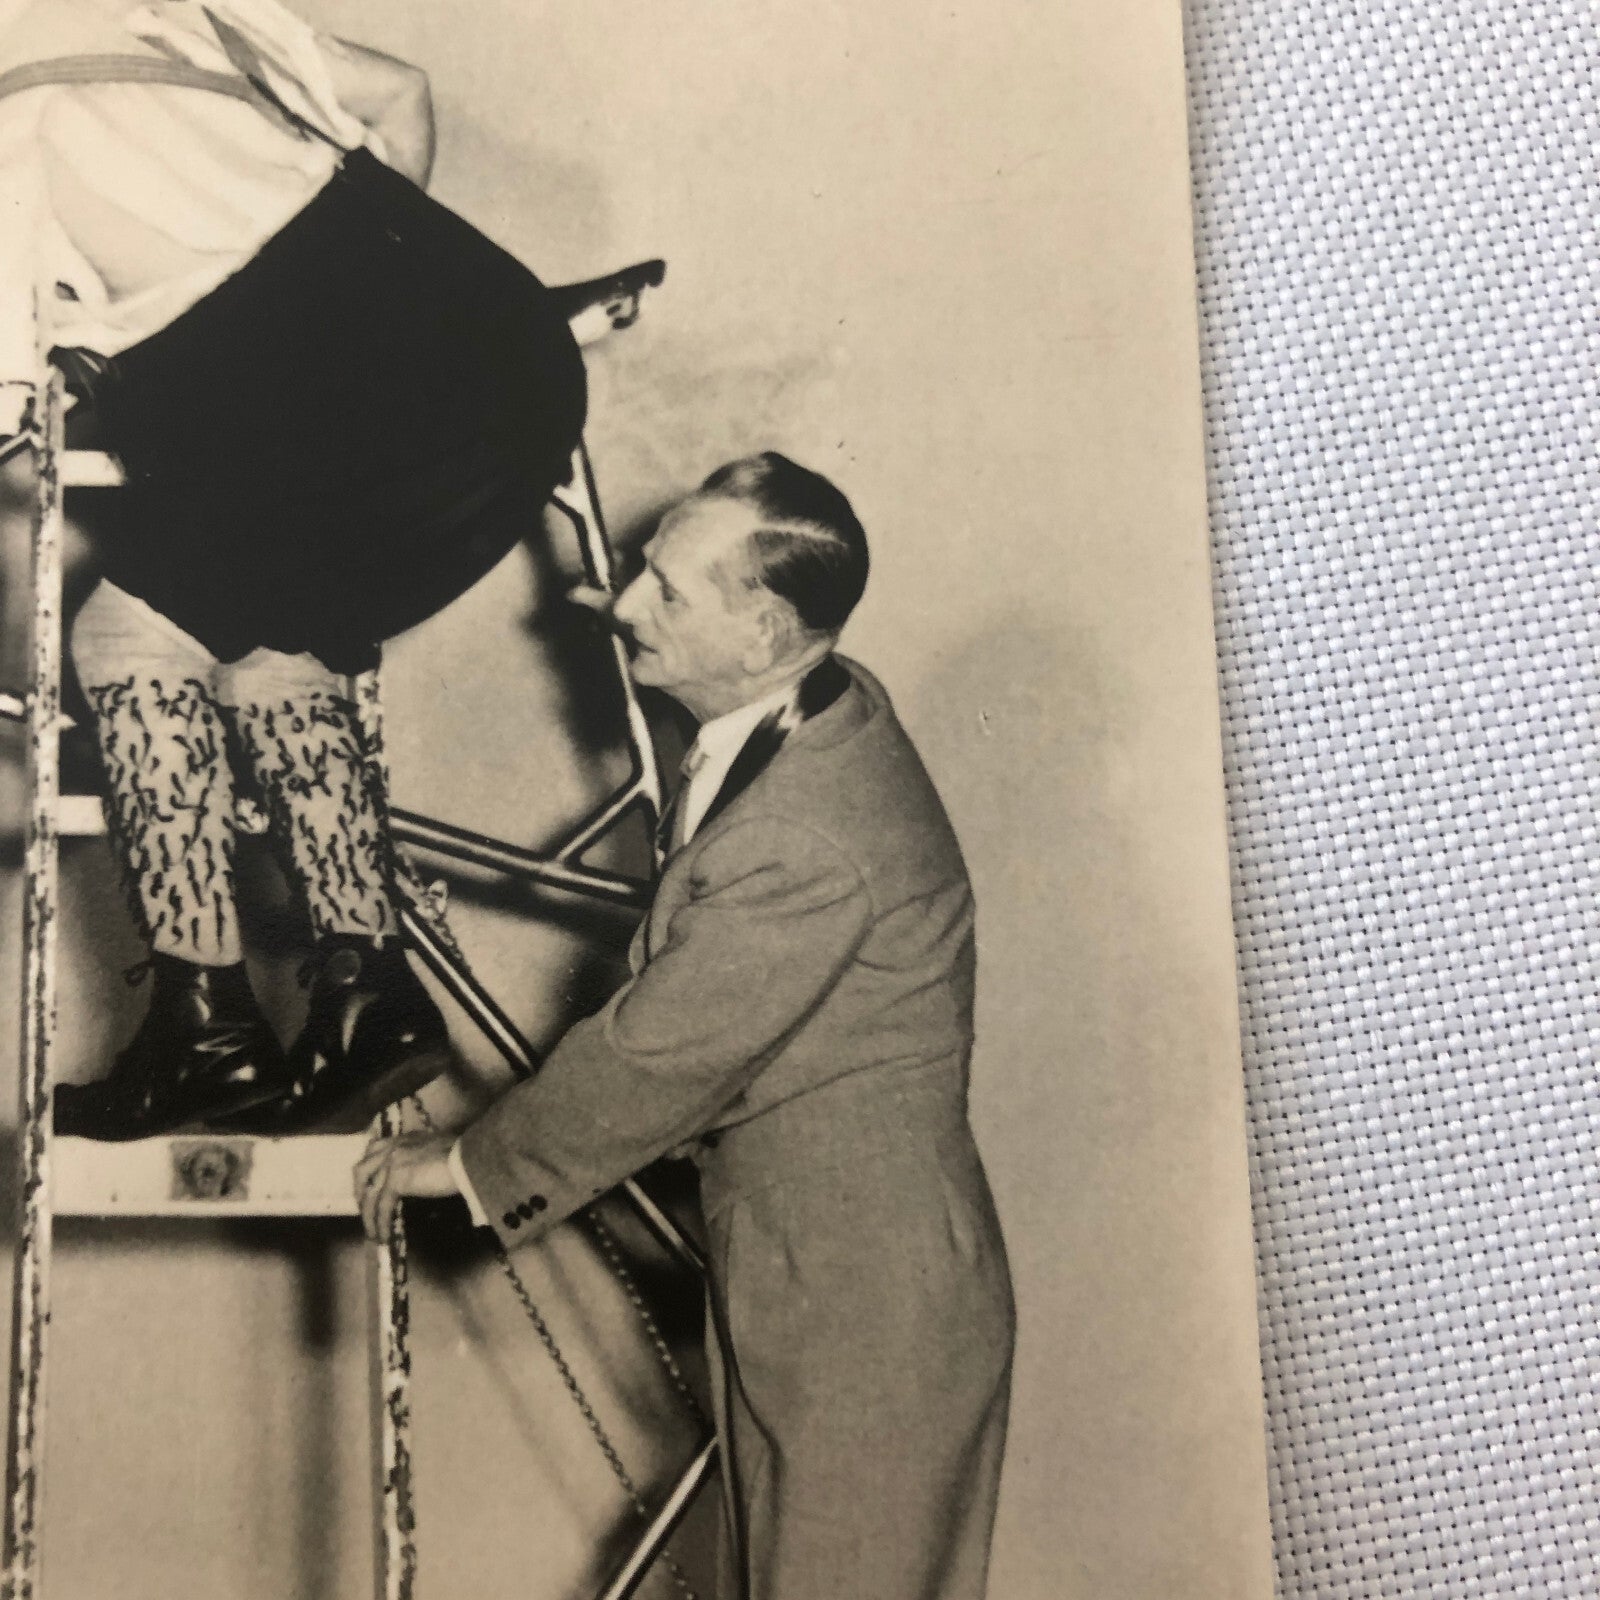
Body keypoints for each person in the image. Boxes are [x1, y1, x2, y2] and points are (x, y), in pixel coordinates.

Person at [357, 453, 1017, 1600]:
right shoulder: (811, 706)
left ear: (764, 632)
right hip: (818, 1271)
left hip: (861, 1302)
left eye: (664, 590)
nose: (622, 606)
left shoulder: (804, 833)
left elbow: (657, 1055)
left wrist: (466, 1163)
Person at [0, 0, 597, 1138]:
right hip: (505, 349)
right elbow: (401, 91)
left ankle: (204, 1029)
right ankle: (369, 995)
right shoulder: (160, 7)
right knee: (270, 643)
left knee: (124, 638)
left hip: (312, 398)